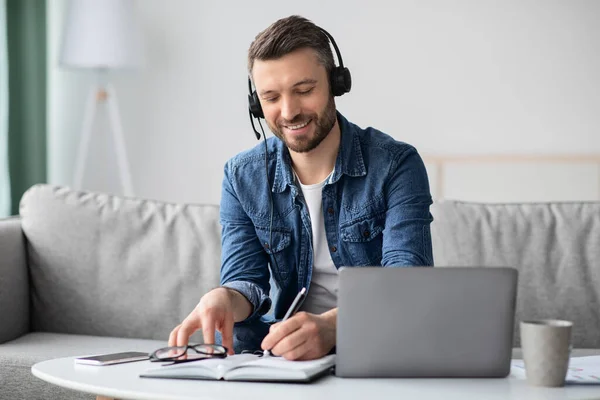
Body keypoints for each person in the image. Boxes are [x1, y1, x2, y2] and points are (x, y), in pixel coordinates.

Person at [169, 15, 434, 361]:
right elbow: (246, 282)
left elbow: (407, 283)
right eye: (271, 98)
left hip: (381, 347)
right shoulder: (241, 176)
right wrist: (223, 298)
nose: (289, 111)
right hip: (287, 356)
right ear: (256, 104)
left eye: (304, 90)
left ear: (336, 83)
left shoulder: (396, 165)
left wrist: (334, 327)